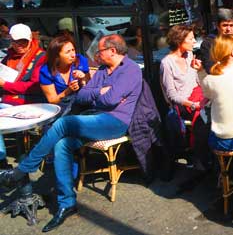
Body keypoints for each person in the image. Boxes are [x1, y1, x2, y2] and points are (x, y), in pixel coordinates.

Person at [0, 34, 142, 232]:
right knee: (61, 145)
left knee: (64, 123)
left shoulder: (131, 70)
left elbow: (109, 100)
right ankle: (67, 203)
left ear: (112, 51)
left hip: (115, 122)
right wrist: (99, 92)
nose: (97, 55)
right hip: (93, 118)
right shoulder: (102, 70)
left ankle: (21, 170)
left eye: (100, 51)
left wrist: (100, 94)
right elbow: (84, 96)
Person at [160, 25, 210, 174]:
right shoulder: (166, 63)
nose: (194, 41)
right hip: (184, 104)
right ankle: (201, 157)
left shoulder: (190, 56)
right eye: (190, 38)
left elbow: (199, 83)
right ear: (179, 40)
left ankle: (208, 156)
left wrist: (200, 71)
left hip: (199, 96)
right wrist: (193, 104)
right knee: (203, 117)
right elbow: (172, 95)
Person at [39, 35, 90, 116]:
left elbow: (90, 86)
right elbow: (52, 100)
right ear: (57, 56)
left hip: (81, 103)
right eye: (68, 52)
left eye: (73, 50)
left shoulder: (80, 61)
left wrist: (83, 79)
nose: (73, 55)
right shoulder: (46, 71)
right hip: (60, 107)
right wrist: (68, 90)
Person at [0, 23, 46, 106]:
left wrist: (5, 84)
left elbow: (34, 87)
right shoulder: (10, 56)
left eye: (23, 41)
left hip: (30, 103)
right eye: (15, 41)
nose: (18, 45)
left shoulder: (41, 57)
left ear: (30, 39)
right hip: (6, 98)